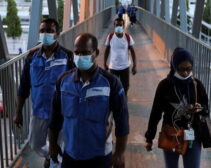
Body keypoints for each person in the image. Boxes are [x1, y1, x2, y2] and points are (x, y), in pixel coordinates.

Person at [48, 33, 129, 168]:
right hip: (70, 153)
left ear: (96, 53)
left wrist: (120, 153)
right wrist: (52, 144)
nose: (80, 57)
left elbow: (122, 121)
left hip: (99, 156)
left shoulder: (111, 83)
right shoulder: (63, 81)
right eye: (77, 52)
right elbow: (55, 117)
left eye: (85, 52)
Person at [14, 18, 74, 168]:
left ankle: (55, 161)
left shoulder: (68, 57)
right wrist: (18, 111)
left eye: (49, 31)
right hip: (39, 110)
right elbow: (24, 86)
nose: (45, 34)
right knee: (35, 143)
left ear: (57, 34)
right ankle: (51, 155)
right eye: (42, 31)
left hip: (61, 113)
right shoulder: (31, 57)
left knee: (59, 145)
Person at [144, 47, 211, 168]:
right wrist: (149, 137)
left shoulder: (197, 84)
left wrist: (200, 108)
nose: (185, 73)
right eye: (181, 69)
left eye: (188, 69)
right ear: (174, 66)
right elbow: (156, 113)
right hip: (171, 134)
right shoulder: (165, 86)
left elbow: (206, 109)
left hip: (192, 136)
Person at [104, 18, 137, 95]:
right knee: (113, 86)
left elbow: (132, 51)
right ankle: (115, 102)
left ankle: (123, 100)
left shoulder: (128, 37)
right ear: (114, 26)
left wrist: (134, 65)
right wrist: (105, 63)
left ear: (123, 26)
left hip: (125, 67)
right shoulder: (110, 36)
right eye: (116, 25)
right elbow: (107, 50)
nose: (118, 26)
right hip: (113, 67)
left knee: (125, 86)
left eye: (120, 25)